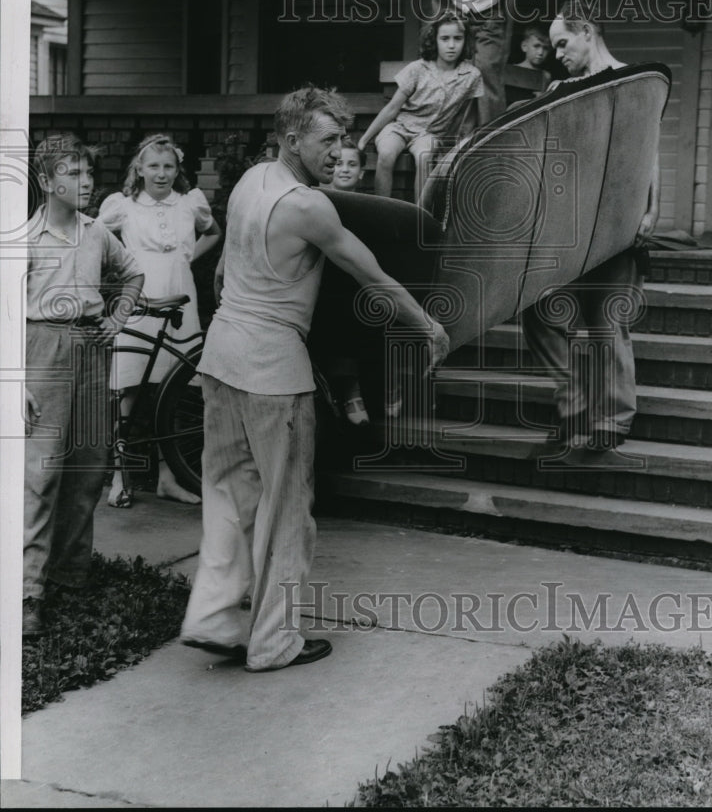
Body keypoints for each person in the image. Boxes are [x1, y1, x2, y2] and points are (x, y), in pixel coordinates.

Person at [180, 86, 450, 671]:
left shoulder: (251, 182)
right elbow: (370, 273)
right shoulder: (308, 206)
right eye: (327, 140)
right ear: (292, 137)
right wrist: (426, 325)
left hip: (221, 357)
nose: (338, 151)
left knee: (228, 494)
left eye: (343, 140)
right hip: (274, 369)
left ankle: (214, 619)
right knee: (286, 509)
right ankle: (274, 643)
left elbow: (226, 269)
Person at [521, 1, 660, 452]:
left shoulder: (634, 80)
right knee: (539, 309)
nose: (556, 52)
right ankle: (574, 403)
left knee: (607, 320)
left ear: (587, 31)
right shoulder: (562, 88)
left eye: (563, 42)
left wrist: (651, 210)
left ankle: (612, 419)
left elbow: (649, 150)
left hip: (620, 220)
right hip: (572, 220)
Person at [23, 134, 144, 637]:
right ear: (47, 181)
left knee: (89, 465)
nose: (86, 181)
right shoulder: (24, 239)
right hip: (42, 351)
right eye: (73, 174)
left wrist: (117, 316)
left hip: (93, 349)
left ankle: (69, 575)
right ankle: (27, 590)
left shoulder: (97, 233)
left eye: (89, 173)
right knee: (41, 474)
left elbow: (132, 273)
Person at [98, 134, 222, 506]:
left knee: (177, 389)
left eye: (168, 166)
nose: (162, 173)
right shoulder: (123, 207)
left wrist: (187, 257)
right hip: (140, 297)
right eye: (153, 165)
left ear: (177, 169)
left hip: (179, 293)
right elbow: (95, 238)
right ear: (139, 169)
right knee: (129, 389)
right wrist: (125, 266)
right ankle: (121, 477)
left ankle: (170, 477)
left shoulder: (189, 204)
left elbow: (215, 232)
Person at [358, 12, 483, 200]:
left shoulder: (471, 76)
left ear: (465, 41)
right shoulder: (418, 69)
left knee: (424, 157)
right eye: (445, 38)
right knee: (386, 153)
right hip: (400, 127)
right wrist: (364, 139)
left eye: (458, 38)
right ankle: (382, 209)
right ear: (434, 40)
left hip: (430, 134)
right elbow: (392, 108)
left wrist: (453, 147)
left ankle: (420, 215)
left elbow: (467, 118)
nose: (451, 45)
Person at [325, 138, 369, 424]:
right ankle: (333, 394)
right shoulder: (319, 200)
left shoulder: (368, 208)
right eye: (339, 163)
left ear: (362, 173)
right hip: (322, 281)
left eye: (352, 164)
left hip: (351, 283)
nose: (344, 169)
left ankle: (353, 390)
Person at [517, 24, 552, 91]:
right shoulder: (512, 70)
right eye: (536, 46)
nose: (540, 52)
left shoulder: (546, 76)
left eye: (545, 48)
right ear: (524, 46)